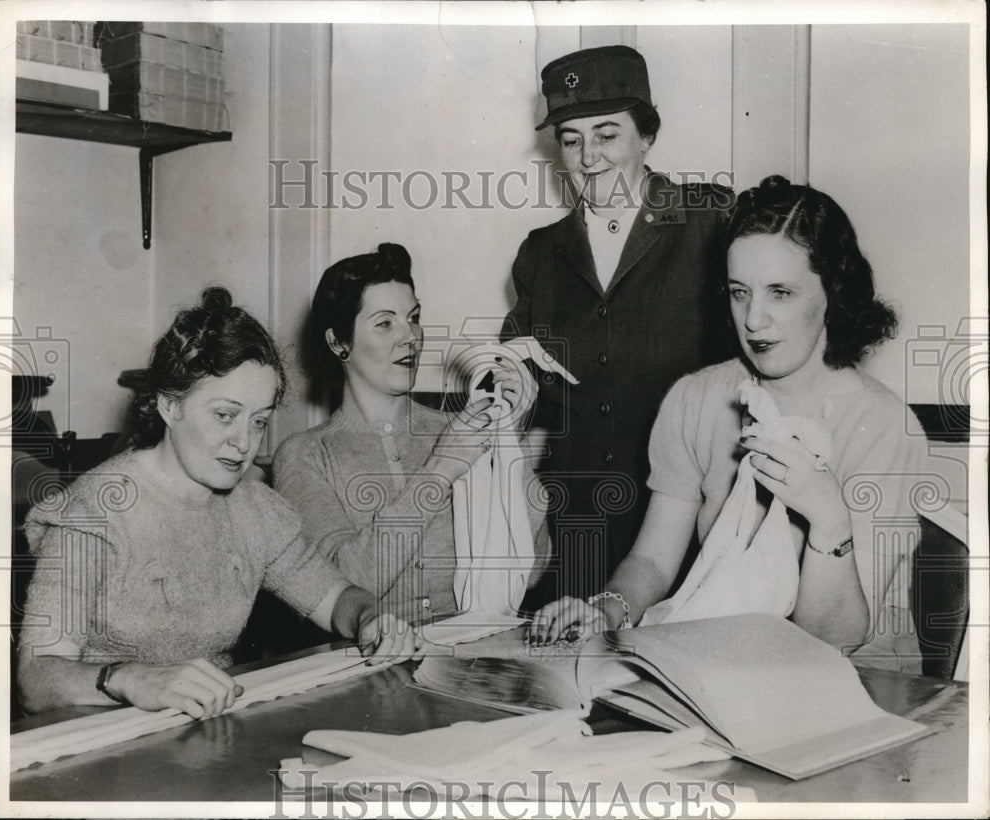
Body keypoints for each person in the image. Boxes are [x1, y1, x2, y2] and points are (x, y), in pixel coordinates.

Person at [529, 176, 933, 673]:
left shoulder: (885, 424)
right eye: (740, 293)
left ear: (833, 292)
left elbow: (833, 641)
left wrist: (829, 520)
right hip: (732, 665)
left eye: (780, 293)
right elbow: (653, 562)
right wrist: (606, 609)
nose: (754, 319)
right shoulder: (697, 398)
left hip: (861, 682)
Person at [17, 288, 417, 719]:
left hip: (207, 726)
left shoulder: (255, 510)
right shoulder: (93, 513)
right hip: (99, 737)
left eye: (259, 421)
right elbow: (34, 677)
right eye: (225, 415)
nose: (243, 443)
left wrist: (371, 617)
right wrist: (129, 678)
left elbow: (336, 597)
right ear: (170, 405)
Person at [502, 45, 733, 607]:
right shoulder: (541, 253)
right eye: (572, 139)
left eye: (607, 135)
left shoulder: (710, 224)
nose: (588, 157)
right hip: (579, 529)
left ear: (647, 136)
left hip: (694, 528)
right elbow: (515, 383)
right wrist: (502, 376)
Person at [274, 243, 548, 624]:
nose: (411, 337)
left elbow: (530, 569)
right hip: (372, 663)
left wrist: (509, 443)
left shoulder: (458, 429)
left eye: (413, 317)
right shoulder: (306, 454)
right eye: (385, 323)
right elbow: (339, 583)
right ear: (338, 342)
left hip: (473, 649)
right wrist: (439, 472)